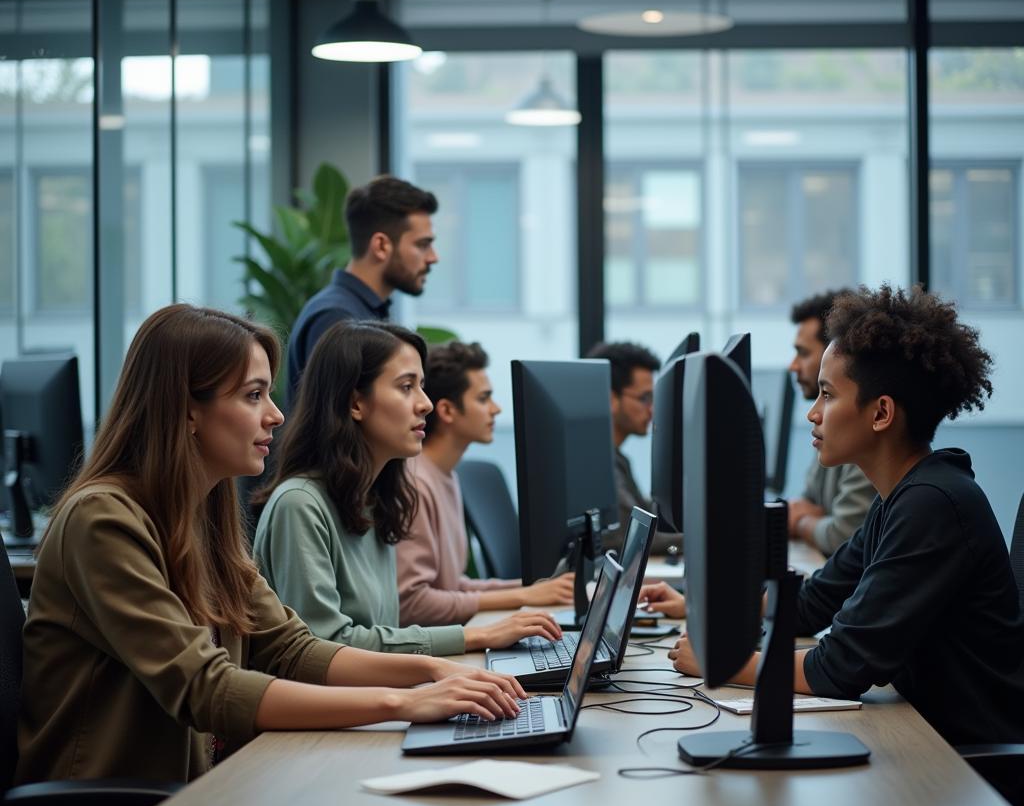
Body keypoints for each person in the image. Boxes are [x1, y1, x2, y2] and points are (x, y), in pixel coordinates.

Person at [4, 304, 522, 806]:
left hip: (206, 804)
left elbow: (292, 648)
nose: (276, 415)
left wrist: (437, 672)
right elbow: (208, 688)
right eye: (253, 396)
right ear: (187, 409)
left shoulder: (206, 514)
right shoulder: (103, 520)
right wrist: (406, 700)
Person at [641, 284, 1024, 749]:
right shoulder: (899, 498)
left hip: (970, 762)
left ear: (881, 413)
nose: (813, 414)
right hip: (923, 735)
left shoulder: (933, 506)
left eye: (827, 395)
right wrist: (707, 608)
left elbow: (838, 669)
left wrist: (723, 661)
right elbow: (810, 605)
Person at [254, 322, 564, 655]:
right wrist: (477, 636)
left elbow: (383, 629)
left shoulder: (374, 499)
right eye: (406, 387)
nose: (426, 404)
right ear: (355, 403)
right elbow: (326, 648)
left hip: (379, 691)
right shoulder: (300, 505)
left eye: (422, 386)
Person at [396, 340, 575, 626]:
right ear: (447, 411)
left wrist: (534, 589)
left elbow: (453, 585)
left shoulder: (447, 475)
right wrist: (524, 596)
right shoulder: (415, 483)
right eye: (483, 399)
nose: (496, 409)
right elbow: (414, 604)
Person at [286, 175, 440, 407]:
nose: (433, 257)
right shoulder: (336, 318)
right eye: (422, 245)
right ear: (381, 246)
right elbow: (333, 429)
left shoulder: (359, 313)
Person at [787, 290, 874, 555]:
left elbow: (843, 536)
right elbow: (810, 501)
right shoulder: (834, 436)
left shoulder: (862, 441)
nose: (792, 366)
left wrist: (800, 521)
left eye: (802, 353)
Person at [584, 341, 683, 556]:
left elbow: (644, 512)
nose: (652, 409)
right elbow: (634, 535)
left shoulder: (615, 457)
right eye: (644, 398)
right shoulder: (595, 463)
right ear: (610, 398)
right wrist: (708, 537)